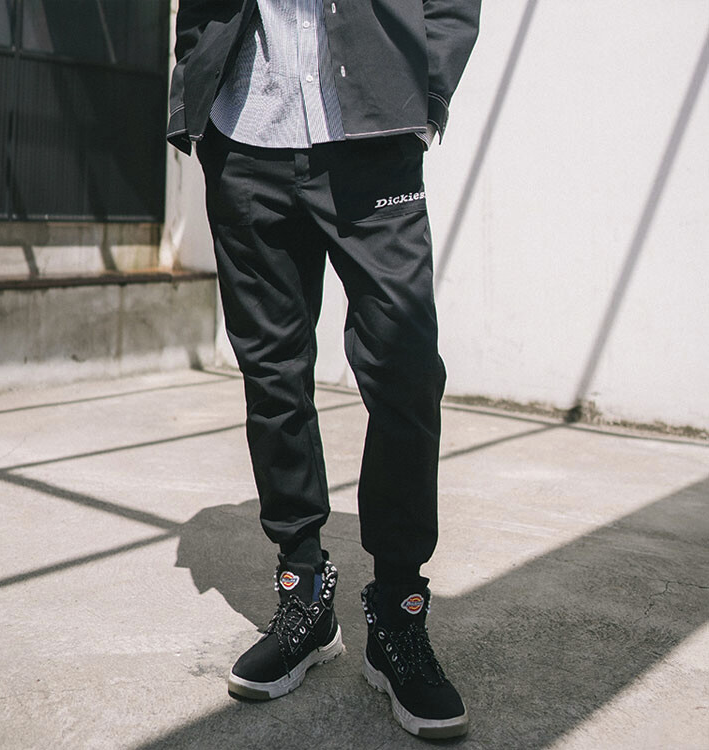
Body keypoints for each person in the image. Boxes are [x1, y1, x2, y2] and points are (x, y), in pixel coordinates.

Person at [167, 0, 481, 739]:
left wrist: (425, 89)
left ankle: (398, 615)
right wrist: (196, 76)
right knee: (273, 372)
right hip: (246, 135)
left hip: (371, 128)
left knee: (405, 371)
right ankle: (303, 597)